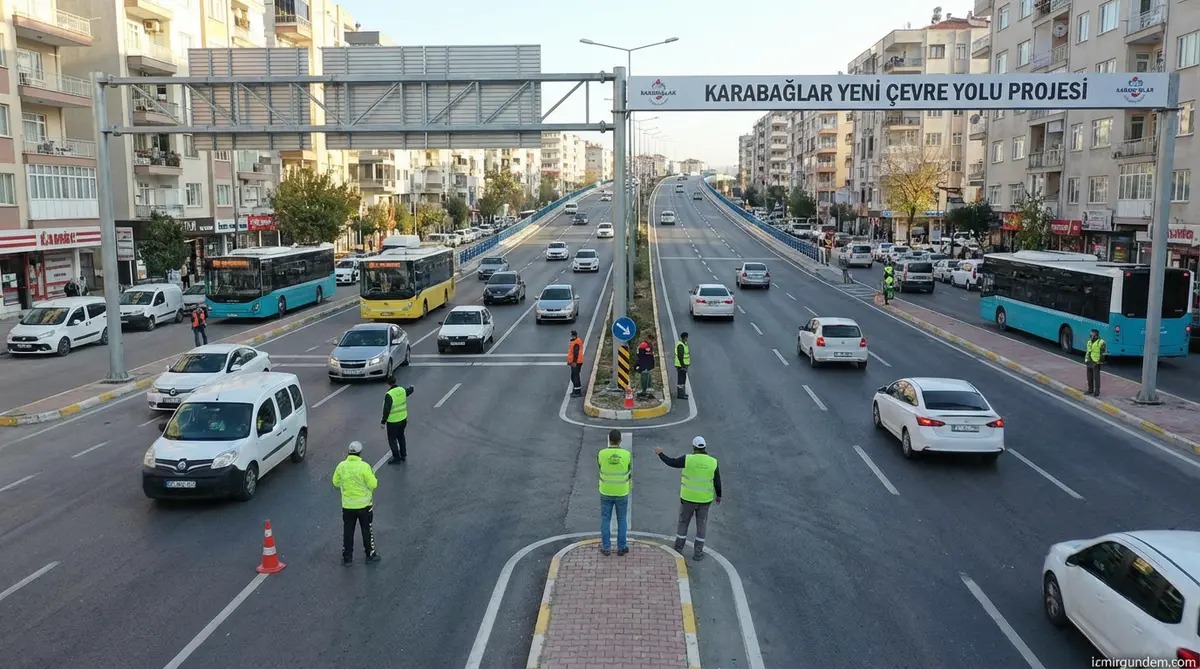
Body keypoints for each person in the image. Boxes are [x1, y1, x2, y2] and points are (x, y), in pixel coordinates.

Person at [655, 436, 721, 561]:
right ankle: (698, 553)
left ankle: (678, 549)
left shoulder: (688, 459)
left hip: (688, 500)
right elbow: (717, 481)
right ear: (705, 447)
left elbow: (671, 462)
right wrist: (719, 496)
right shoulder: (713, 462)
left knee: (683, 523)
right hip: (705, 501)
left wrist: (660, 454)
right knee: (701, 525)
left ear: (693, 447)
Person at [332, 441, 380, 566]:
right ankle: (370, 554)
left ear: (348, 452)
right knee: (366, 530)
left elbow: (335, 482)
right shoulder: (364, 467)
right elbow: (373, 484)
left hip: (348, 506)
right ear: (360, 453)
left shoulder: (341, 466)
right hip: (364, 506)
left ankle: (347, 558)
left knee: (348, 531)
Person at [597, 429, 631, 556]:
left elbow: (599, 467)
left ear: (609, 440)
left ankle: (606, 547)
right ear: (620, 441)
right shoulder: (626, 454)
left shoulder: (601, 453)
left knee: (606, 519)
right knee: (622, 519)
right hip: (622, 491)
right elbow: (629, 469)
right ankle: (621, 547)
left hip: (605, 491)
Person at [380, 376, 415, 464]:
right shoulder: (402, 390)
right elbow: (409, 391)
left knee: (392, 440)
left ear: (388, 383)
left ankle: (396, 458)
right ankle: (403, 455)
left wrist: (383, 422)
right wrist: (412, 387)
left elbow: (386, 410)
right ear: (395, 381)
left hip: (393, 422)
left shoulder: (389, 395)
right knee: (401, 437)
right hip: (403, 419)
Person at [1085, 329, 1107, 397]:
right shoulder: (1089, 342)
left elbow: (1103, 353)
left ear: (1096, 335)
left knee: (1096, 378)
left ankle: (1097, 391)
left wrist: (1100, 361)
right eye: (1090, 334)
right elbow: (1088, 351)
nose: (1090, 335)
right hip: (1089, 361)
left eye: (1092, 334)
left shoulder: (1101, 342)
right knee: (1089, 377)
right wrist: (1086, 360)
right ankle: (1090, 390)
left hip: (1096, 362)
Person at [567, 330, 584, 397]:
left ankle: (577, 392)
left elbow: (576, 353)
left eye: (571, 335)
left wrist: (574, 362)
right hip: (576, 362)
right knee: (573, 376)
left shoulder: (576, 343)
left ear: (574, 336)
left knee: (575, 376)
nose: (570, 336)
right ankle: (575, 390)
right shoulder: (575, 341)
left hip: (576, 362)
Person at [674, 332, 690, 400]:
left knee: (683, 380)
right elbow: (680, 356)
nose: (687, 338)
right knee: (681, 380)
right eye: (686, 337)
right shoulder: (680, 345)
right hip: (681, 366)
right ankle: (680, 395)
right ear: (684, 337)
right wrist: (683, 366)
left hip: (683, 365)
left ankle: (682, 393)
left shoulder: (684, 344)